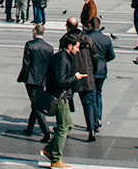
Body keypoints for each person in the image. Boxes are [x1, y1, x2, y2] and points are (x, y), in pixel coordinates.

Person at [40, 32, 85, 169]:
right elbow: (61, 81)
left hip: (62, 96)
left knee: (69, 125)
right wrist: (75, 78)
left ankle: (49, 149)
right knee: (63, 127)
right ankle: (56, 158)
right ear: (70, 46)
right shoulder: (62, 59)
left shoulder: (64, 57)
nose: (78, 50)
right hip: (60, 98)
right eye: (76, 47)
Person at [16, 23, 54, 143]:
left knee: (37, 105)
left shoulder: (30, 45)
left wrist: (23, 78)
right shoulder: (49, 48)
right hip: (43, 80)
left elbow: (26, 64)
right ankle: (29, 128)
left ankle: (46, 132)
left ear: (35, 32)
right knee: (35, 102)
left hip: (31, 79)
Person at [81, 17, 115, 141]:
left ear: (90, 25)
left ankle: (94, 121)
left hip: (90, 70)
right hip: (102, 70)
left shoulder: (87, 37)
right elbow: (111, 55)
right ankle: (99, 118)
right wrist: (103, 61)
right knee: (98, 94)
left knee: (91, 95)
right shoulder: (106, 39)